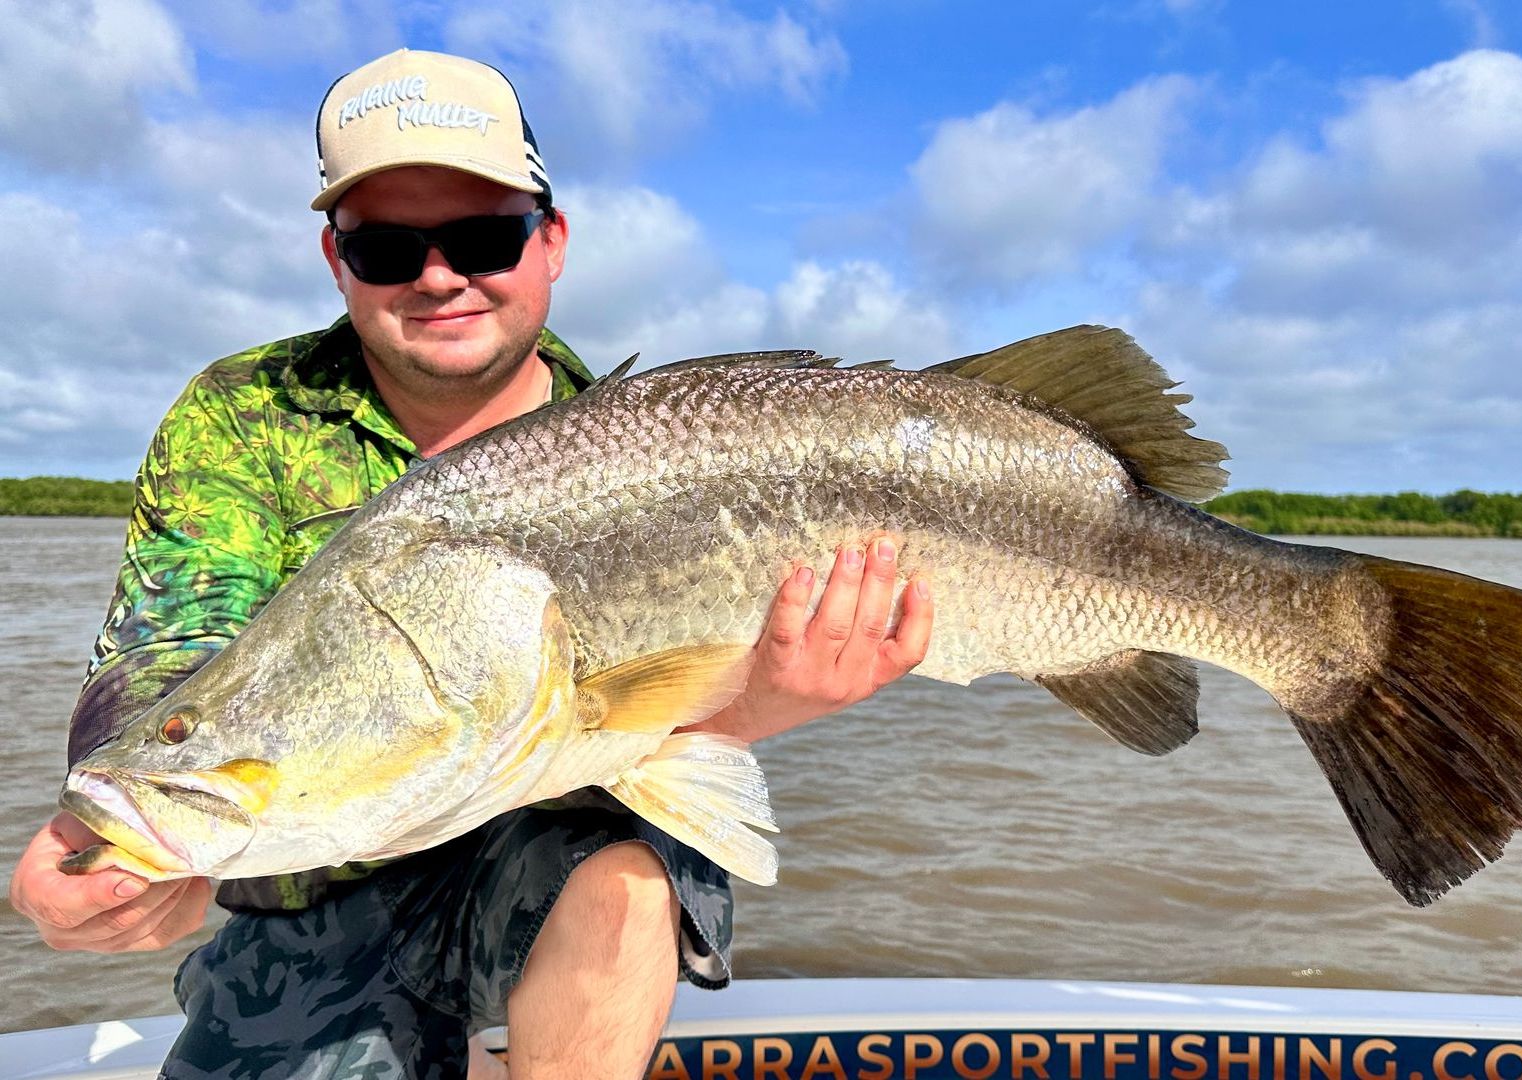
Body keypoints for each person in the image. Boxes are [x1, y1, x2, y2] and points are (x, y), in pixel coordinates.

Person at [7, 48, 932, 1079]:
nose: (440, 276)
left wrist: (761, 702)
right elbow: (167, 648)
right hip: (316, 887)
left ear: (553, 241)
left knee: (627, 884)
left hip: (561, 843)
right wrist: (118, 832)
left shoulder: (643, 445)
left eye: (484, 237)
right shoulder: (245, 413)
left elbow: (662, 730)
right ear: (333, 258)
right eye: (389, 249)